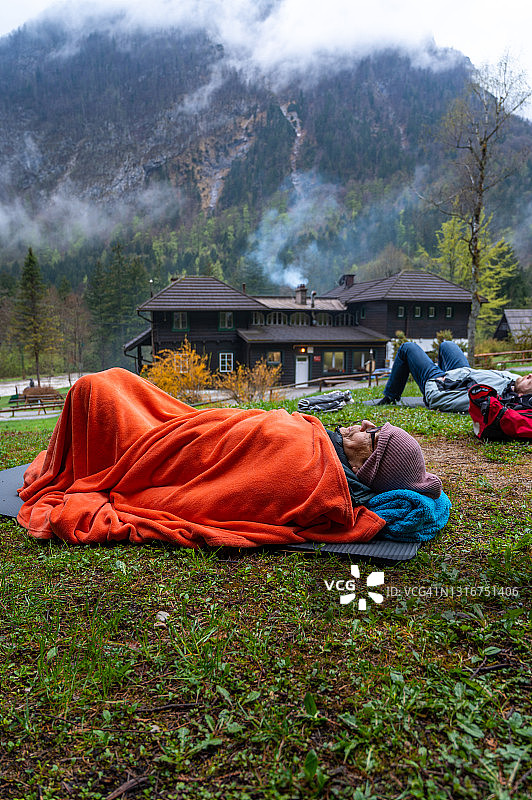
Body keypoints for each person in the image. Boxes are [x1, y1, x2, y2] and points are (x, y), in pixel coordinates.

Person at [16, 368, 443, 548]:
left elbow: (223, 490)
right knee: (119, 381)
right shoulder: (319, 436)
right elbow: (228, 427)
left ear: (367, 463)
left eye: (373, 436)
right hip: (184, 426)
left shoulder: (312, 472)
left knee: (95, 390)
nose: (364, 425)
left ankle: (94, 455)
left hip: (164, 454)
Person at [376, 341, 532, 413]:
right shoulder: (514, 380)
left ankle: (390, 396)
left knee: (407, 348)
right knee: (447, 345)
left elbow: (453, 400)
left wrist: (441, 382)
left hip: (440, 385)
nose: (529, 375)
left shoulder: (492, 395)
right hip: (458, 375)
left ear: (521, 395)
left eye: (531, 381)